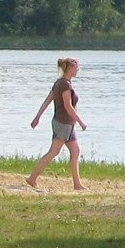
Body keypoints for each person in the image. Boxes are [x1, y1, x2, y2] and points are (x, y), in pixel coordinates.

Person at [26, 57, 87, 190]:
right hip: (63, 123)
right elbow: (68, 106)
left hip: (67, 124)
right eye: (76, 67)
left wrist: (38, 117)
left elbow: (47, 101)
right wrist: (81, 122)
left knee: (75, 151)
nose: (78, 69)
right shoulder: (64, 84)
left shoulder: (60, 83)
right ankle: (32, 178)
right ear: (70, 68)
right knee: (53, 152)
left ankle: (77, 184)